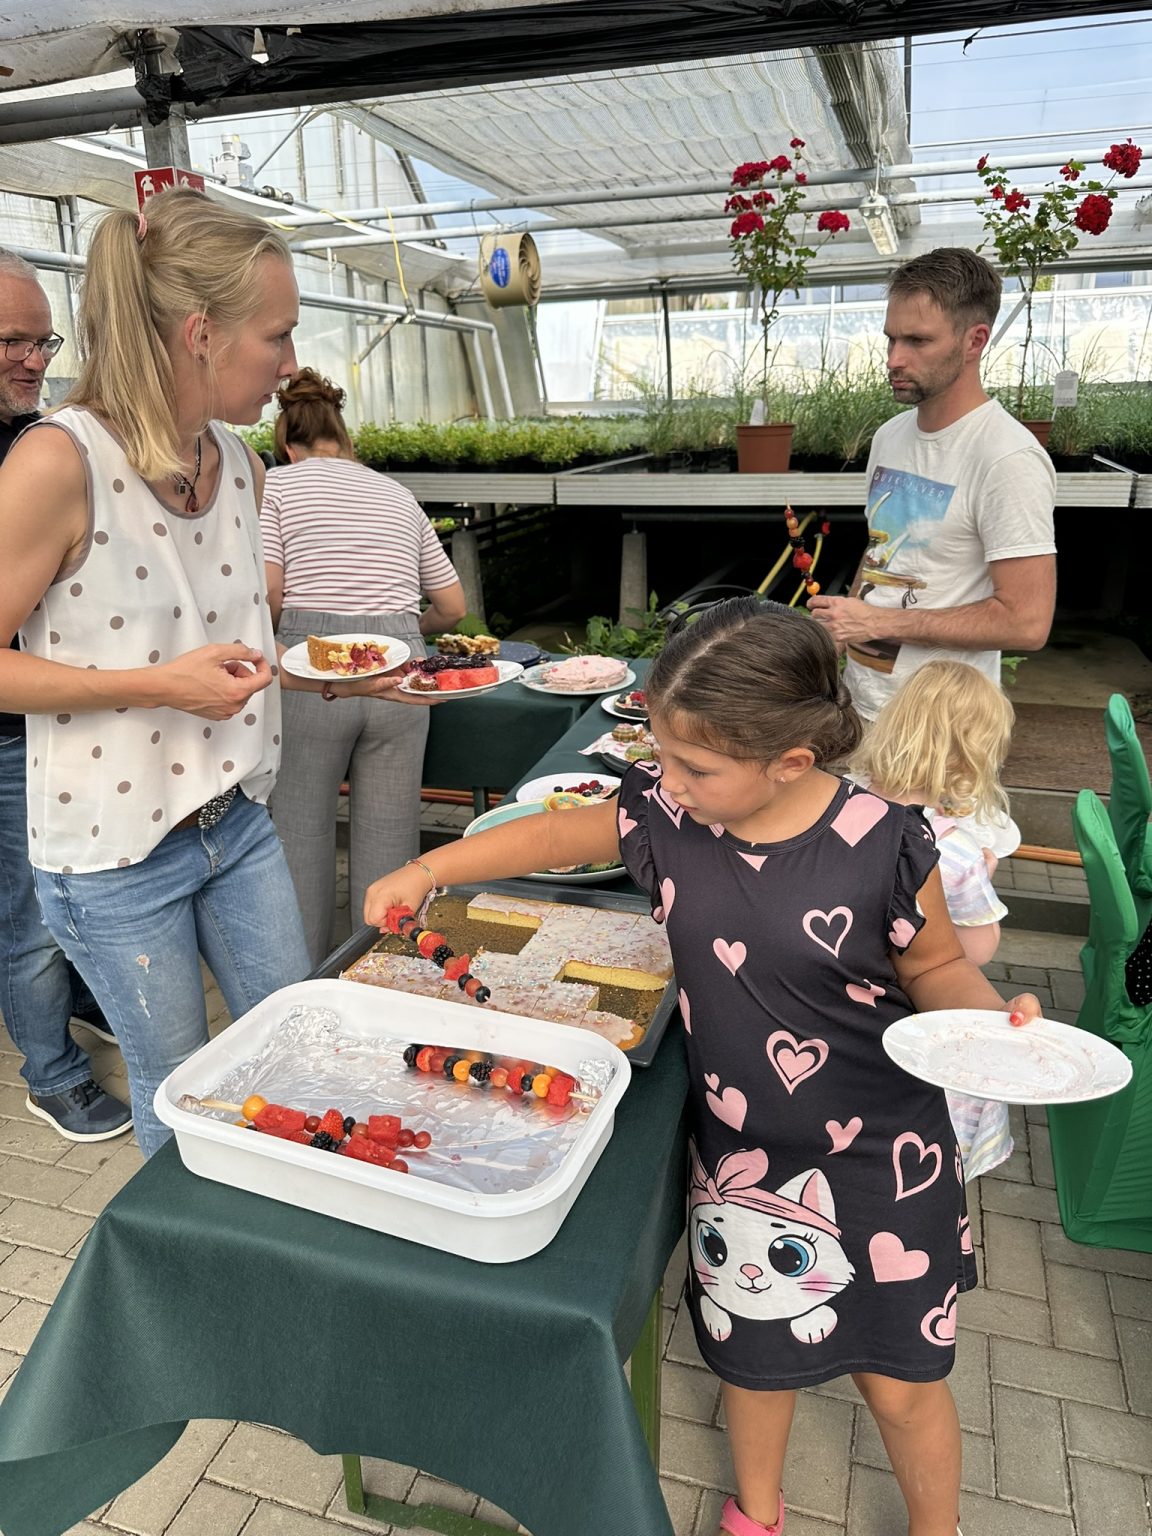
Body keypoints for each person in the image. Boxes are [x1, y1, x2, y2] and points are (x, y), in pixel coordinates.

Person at [363, 598, 1041, 1536]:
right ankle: (754, 1514)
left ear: (792, 762)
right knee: (752, 1362)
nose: (664, 780)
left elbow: (934, 963)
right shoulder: (665, 814)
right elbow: (561, 834)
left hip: (888, 1158)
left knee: (905, 1385)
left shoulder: (888, 841)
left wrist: (991, 1023)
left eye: (695, 766)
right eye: (663, 757)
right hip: (741, 1155)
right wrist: (436, 869)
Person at [0, 188, 404, 1157]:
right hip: (115, 855)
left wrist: (318, 676)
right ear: (199, 334)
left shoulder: (239, 459)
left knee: (294, 1055)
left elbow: (221, 642)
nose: (292, 362)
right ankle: (197, 1292)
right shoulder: (60, 462)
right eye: (278, 334)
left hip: (237, 823)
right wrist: (157, 685)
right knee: (180, 1097)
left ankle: (293, 1239)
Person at [261, 367, 466, 965]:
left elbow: (270, 598)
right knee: (390, 841)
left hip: (311, 670)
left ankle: (302, 986)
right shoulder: (397, 495)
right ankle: (383, 976)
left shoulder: (276, 488)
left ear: (285, 442)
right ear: (344, 436)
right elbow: (451, 606)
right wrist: (406, 635)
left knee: (301, 833)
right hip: (401, 678)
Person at [808, 247, 1058, 721]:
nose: (895, 359)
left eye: (918, 341)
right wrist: (845, 627)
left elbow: (1026, 622)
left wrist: (880, 621)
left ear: (974, 341)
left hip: (939, 727)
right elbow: (882, 549)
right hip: (864, 704)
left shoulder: (1007, 457)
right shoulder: (890, 437)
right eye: (891, 339)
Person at [0, 248, 130, 1142]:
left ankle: (69, 1006)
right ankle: (50, 1073)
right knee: (30, 909)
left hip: (40, 715)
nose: (34, 360)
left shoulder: (34, 439)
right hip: (9, 725)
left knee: (55, 890)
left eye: (42, 340)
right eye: (12, 339)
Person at [850, 659, 1020, 1179]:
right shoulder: (957, 851)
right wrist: (982, 876)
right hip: (925, 1017)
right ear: (972, 760)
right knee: (930, 1144)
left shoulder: (841, 801)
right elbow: (974, 951)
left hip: (856, 1003)